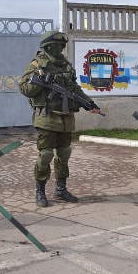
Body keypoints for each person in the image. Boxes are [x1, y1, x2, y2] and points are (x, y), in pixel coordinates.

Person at [19, 31, 100, 207]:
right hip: (46, 117)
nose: (61, 48)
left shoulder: (66, 65)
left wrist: (88, 102)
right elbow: (24, 88)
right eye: (58, 45)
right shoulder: (36, 65)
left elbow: (74, 88)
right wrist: (39, 80)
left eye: (62, 45)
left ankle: (61, 189)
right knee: (46, 154)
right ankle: (40, 191)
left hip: (66, 118)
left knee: (64, 154)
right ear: (48, 46)